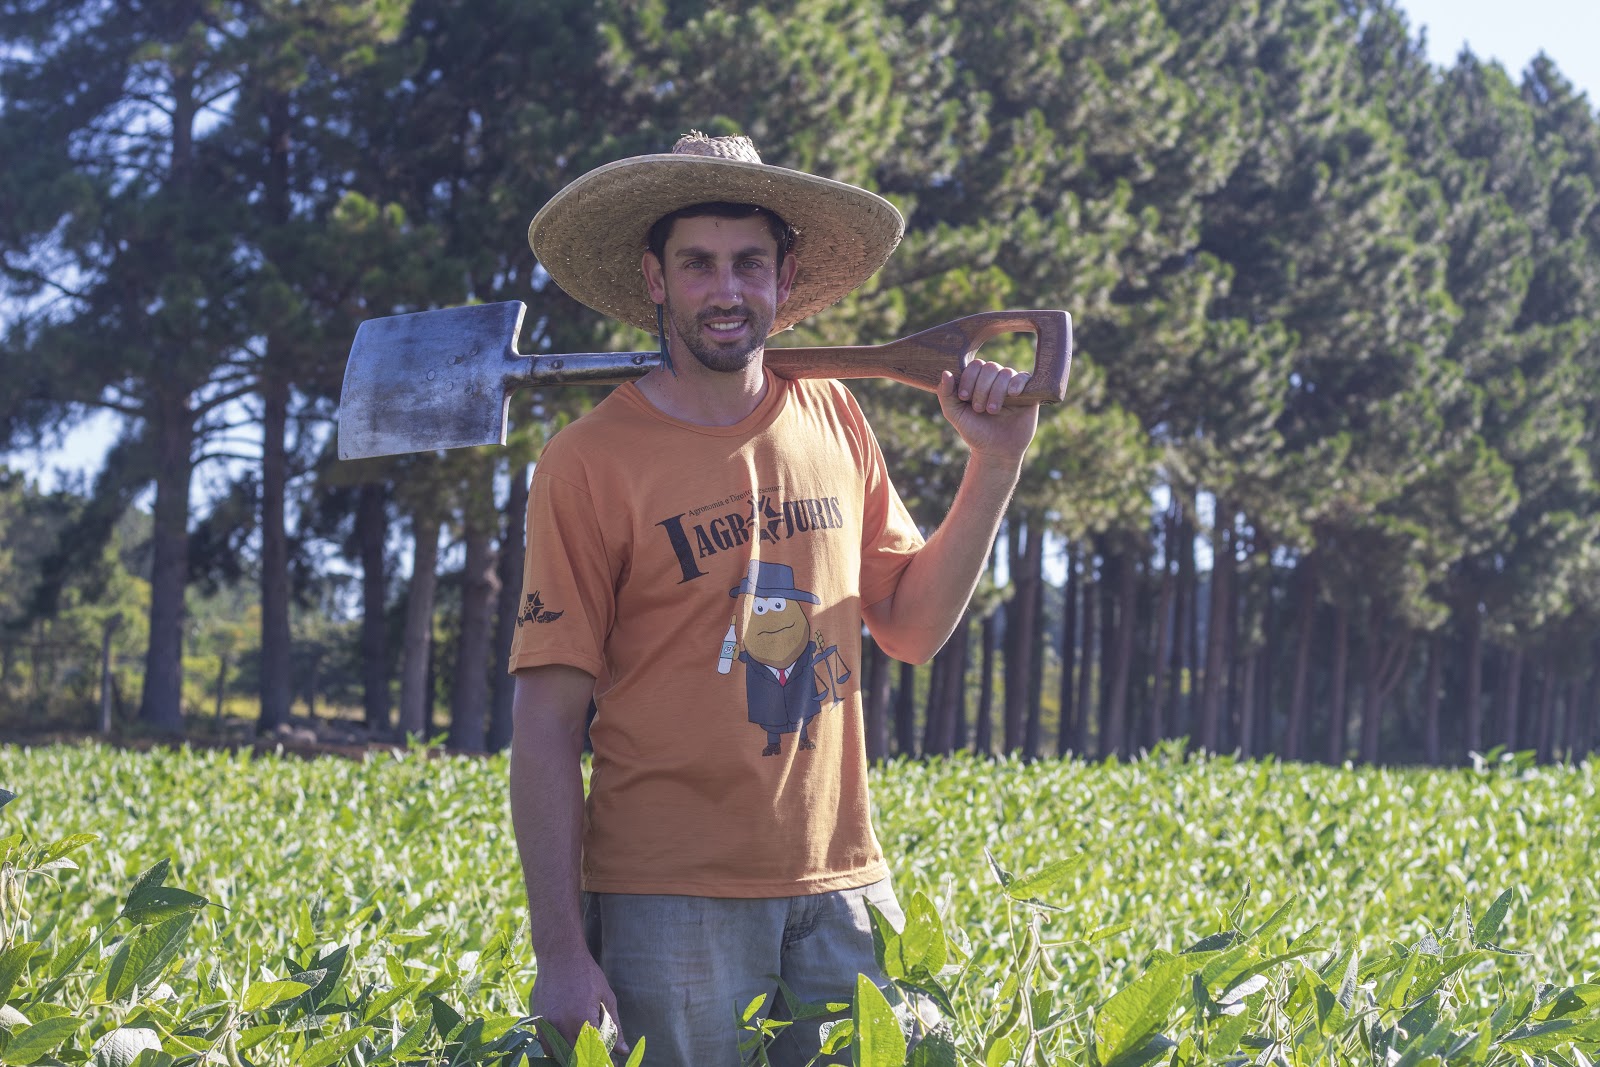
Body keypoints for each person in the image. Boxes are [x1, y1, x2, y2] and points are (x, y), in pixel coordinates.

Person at [507, 131, 1039, 1066]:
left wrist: (995, 463)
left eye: (749, 263)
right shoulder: (587, 464)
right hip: (668, 903)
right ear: (655, 279)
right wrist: (560, 951)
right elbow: (546, 723)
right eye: (698, 263)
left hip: (845, 892)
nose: (726, 290)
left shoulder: (836, 414)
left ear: (784, 281)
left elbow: (911, 626)